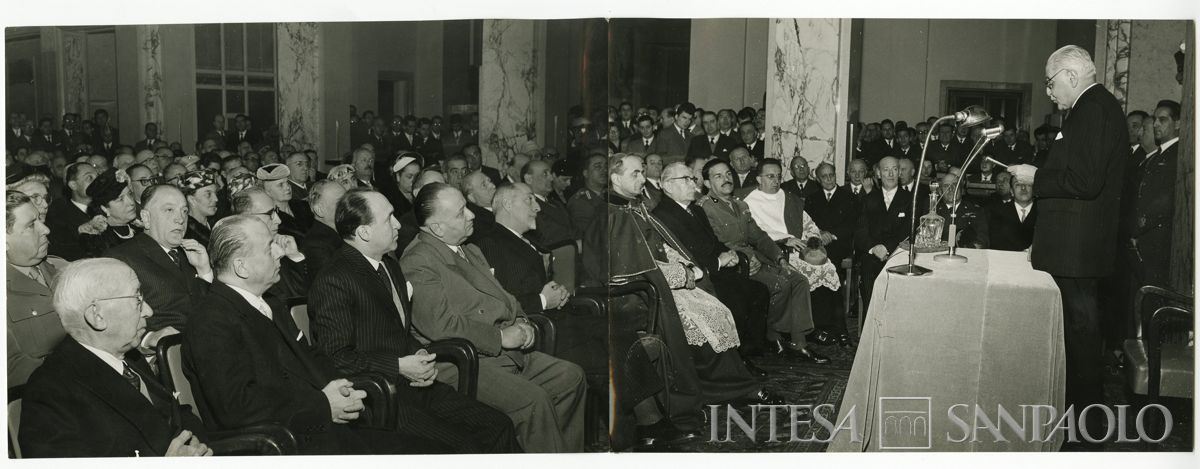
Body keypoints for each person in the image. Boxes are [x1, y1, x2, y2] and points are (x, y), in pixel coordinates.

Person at [181, 215, 451, 455]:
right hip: (281, 445)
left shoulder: (269, 302)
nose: (279, 252)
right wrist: (322, 404)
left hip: (316, 430)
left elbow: (311, 358)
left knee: (438, 450)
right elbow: (237, 407)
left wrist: (342, 388)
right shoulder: (211, 320)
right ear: (241, 267)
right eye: (268, 247)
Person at [304, 189, 522, 453]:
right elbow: (335, 358)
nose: (398, 224)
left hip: (413, 385)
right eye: (388, 219)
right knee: (464, 445)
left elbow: (396, 332)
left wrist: (418, 354)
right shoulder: (334, 280)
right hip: (379, 396)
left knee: (498, 424)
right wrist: (398, 365)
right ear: (364, 232)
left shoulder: (388, 265)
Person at [400, 183, 586, 452]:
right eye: (461, 212)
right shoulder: (418, 262)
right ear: (438, 228)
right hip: (463, 363)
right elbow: (441, 326)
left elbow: (506, 299)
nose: (472, 215)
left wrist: (524, 322)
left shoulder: (469, 249)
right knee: (533, 401)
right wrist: (501, 337)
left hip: (500, 354)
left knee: (571, 377)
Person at [1006, 45, 1129, 433]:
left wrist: (1033, 176)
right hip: (1074, 247)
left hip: (1079, 250)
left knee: (1081, 339)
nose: (1048, 91)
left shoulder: (1093, 108)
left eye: (1051, 82)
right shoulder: (1089, 108)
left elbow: (1085, 182)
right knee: (1077, 339)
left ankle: (1085, 429)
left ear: (1072, 77)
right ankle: (1077, 421)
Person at [20, 258, 213, 457]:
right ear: (97, 316)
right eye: (137, 300)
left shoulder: (129, 359)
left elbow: (177, 418)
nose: (149, 311)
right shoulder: (51, 392)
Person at [696, 159, 828, 362]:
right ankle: (772, 336)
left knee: (799, 280)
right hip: (735, 266)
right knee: (781, 285)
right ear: (706, 183)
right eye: (718, 176)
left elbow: (759, 237)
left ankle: (798, 343)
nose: (726, 179)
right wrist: (744, 259)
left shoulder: (740, 205)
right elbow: (715, 244)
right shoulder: (705, 208)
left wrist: (779, 258)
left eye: (728, 174)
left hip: (756, 258)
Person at [652, 162, 771, 360]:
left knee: (759, 291)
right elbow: (684, 256)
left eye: (693, 178)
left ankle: (750, 352)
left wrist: (731, 254)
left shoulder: (696, 210)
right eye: (687, 179)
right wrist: (719, 262)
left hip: (715, 272)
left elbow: (713, 242)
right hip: (699, 279)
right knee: (736, 300)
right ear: (668, 186)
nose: (694, 184)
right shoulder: (663, 216)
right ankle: (737, 359)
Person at [742, 159, 846, 347]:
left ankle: (826, 326)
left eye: (778, 176)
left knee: (827, 267)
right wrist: (783, 239)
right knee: (801, 276)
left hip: (798, 247)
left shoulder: (788, 197)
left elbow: (807, 224)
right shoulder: (748, 202)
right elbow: (755, 234)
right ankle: (801, 332)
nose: (776, 181)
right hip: (771, 252)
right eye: (770, 176)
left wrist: (814, 237)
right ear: (759, 178)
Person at [105, 184, 212, 333]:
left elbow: (210, 310)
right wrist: (148, 341)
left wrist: (204, 271)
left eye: (184, 211)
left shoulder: (191, 254)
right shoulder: (122, 258)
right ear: (146, 218)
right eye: (169, 210)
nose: (180, 219)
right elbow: (117, 321)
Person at [7, 192, 68, 387]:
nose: (46, 229)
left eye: (40, 219)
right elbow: (11, 368)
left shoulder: (61, 268)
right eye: (31, 225)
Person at [854, 157, 913, 312]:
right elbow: (860, 230)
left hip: (898, 254)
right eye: (886, 169)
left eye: (894, 169)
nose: (890, 173)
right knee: (868, 282)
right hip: (872, 254)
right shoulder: (869, 199)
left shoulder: (910, 199)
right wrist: (873, 248)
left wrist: (887, 248)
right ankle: (871, 331)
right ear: (878, 174)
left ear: (899, 172)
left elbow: (908, 230)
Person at [80, 169, 142, 257]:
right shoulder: (98, 241)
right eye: (120, 199)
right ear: (104, 209)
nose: (131, 203)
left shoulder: (141, 228)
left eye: (130, 194)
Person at [47, 162, 102, 261]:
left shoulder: (107, 208)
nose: (98, 181)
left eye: (98, 176)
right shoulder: (59, 218)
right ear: (73, 185)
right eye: (89, 178)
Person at [300, 179, 348, 284]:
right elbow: (333, 288)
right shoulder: (316, 246)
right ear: (319, 210)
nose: (348, 206)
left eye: (348, 200)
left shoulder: (346, 233)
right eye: (340, 202)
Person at [257, 163, 312, 240]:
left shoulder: (303, 205)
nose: (287, 187)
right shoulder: (270, 218)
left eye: (287, 183)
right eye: (280, 185)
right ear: (267, 191)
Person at [987, 175, 1037, 251]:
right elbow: (996, 244)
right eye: (1018, 184)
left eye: (1028, 184)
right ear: (1011, 191)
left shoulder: (1045, 213)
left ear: (1034, 189)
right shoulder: (998, 212)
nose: (1023, 188)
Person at [177, 170, 219, 247]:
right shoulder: (187, 234)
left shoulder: (217, 223)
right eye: (208, 194)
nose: (216, 199)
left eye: (215, 193)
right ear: (192, 200)